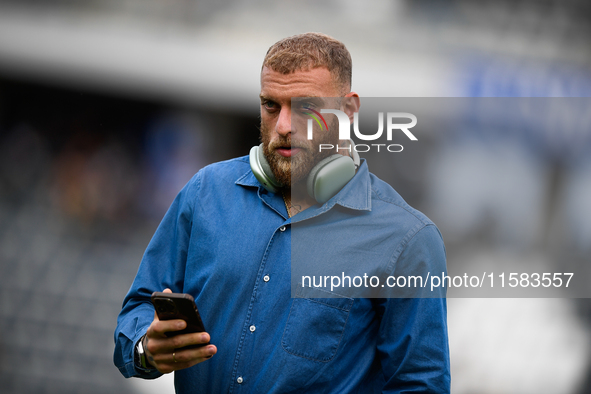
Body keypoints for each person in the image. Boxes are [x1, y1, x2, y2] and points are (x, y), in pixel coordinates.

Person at [114, 32, 450, 393]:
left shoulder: (408, 239)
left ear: (349, 110)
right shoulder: (204, 192)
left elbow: (420, 385)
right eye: (271, 106)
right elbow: (137, 310)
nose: (284, 126)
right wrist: (147, 348)